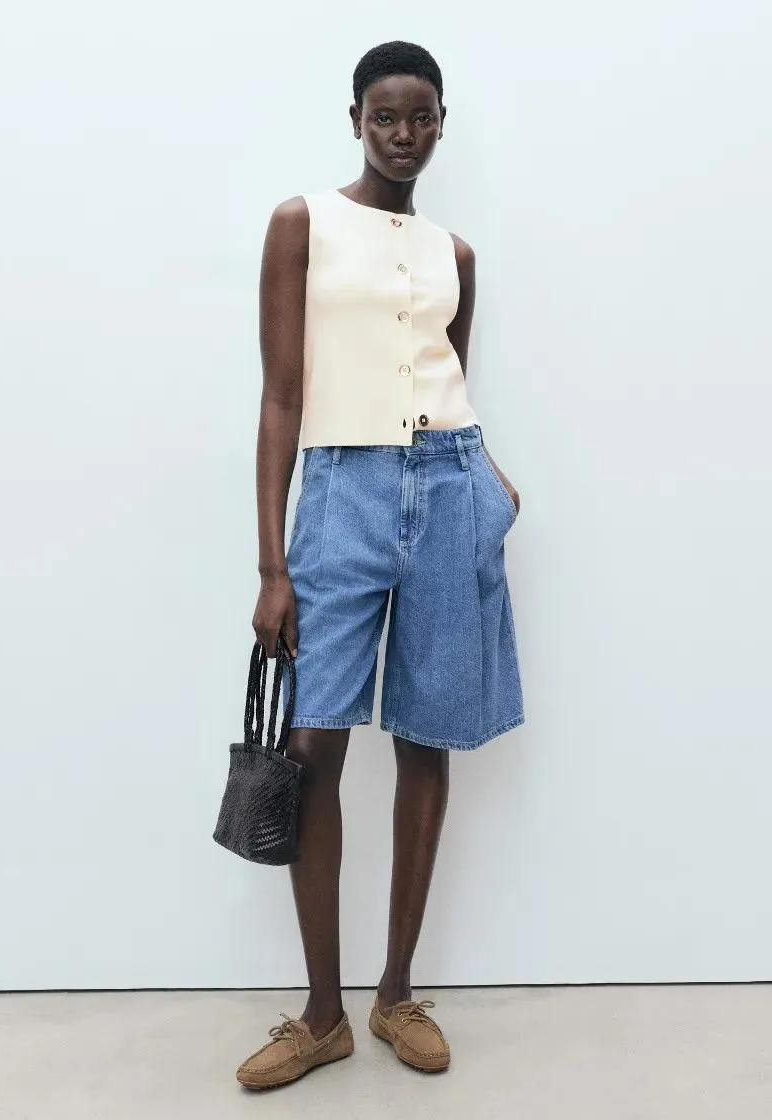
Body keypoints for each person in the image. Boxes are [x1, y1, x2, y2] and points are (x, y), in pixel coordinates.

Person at [236, 40, 524, 1090]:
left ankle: (395, 993)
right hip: (340, 496)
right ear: (355, 118)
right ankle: (322, 1014)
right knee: (313, 745)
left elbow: (446, 378)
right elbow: (281, 396)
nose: (405, 135)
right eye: (385, 116)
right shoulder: (302, 223)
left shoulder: (456, 254)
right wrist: (273, 566)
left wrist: (490, 484)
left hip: (449, 489)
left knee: (425, 736)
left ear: (442, 122)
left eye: (422, 117)